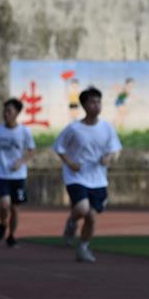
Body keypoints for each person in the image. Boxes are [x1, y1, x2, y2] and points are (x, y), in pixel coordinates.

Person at [53, 87, 122, 263]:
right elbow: (59, 148)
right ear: (84, 105)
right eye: (92, 102)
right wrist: (70, 163)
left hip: (98, 179)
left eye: (98, 101)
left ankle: (83, 247)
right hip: (76, 176)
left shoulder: (107, 128)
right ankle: (72, 223)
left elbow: (115, 149)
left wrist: (109, 158)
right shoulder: (74, 128)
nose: (96, 105)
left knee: (91, 216)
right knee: (84, 209)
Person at [0, 98, 36, 248]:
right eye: (5, 111)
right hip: (2, 174)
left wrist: (20, 162)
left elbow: (32, 150)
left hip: (19, 176)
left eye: (9, 111)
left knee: (15, 208)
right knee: (4, 204)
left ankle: (12, 235)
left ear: (17, 113)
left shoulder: (24, 131)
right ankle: (3, 223)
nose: (6, 114)